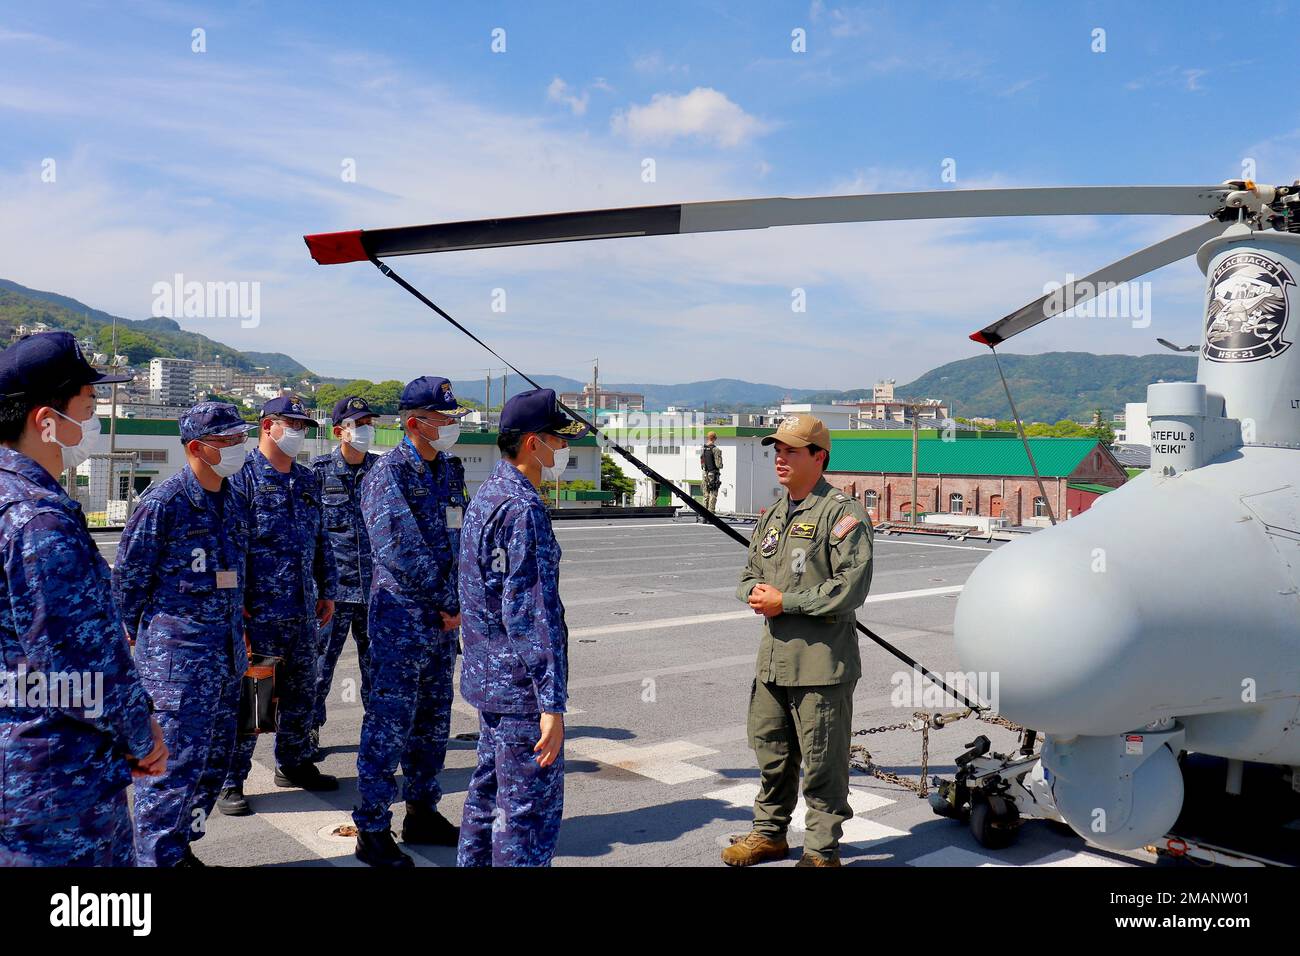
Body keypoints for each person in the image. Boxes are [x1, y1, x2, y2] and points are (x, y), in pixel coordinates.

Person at [0, 331, 167, 865]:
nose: (93, 422)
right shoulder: (39, 520)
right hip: (56, 782)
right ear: (45, 419)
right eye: (90, 406)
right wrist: (142, 737)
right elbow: (78, 663)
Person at [723, 414, 873, 868]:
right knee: (771, 751)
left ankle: (821, 851)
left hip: (820, 666)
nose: (780, 459)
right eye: (777, 450)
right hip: (773, 662)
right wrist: (751, 590)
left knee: (823, 763)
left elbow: (851, 587)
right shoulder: (773, 514)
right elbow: (751, 570)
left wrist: (785, 601)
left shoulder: (842, 514)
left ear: (819, 456)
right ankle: (769, 834)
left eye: (791, 450)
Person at [114, 401, 251, 866]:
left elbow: (237, 576)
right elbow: (128, 582)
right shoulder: (164, 503)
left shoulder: (232, 498)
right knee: (170, 774)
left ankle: (178, 848)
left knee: (211, 766)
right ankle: (154, 859)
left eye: (240, 437)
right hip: (177, 667)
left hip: (226, 659)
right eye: (228, 440)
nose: (240, 447)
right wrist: (134, 641)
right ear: (197, 448)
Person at [457, 387, 586, 867]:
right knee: (527, 816)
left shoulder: (489, 493)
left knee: (487, 799)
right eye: (558, 438)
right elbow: (530, 613)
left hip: (488, 679)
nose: (563, 450)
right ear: (534, 442)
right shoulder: (523, 509)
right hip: (520, 690)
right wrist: (551, 703)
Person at [353, 376, 467, 867]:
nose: (450, 427)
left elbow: (459, 538)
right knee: (389, 724)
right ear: (415, 423)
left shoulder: (448, 470)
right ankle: (372, 828)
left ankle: (422, 810)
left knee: (431, 723)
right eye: (443, 419)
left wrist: (460, 600)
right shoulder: (388, 474)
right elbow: (398, 549)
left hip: (443, 622)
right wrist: (447, 598)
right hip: (403, 619)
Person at [217, 395, 337, 816]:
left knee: (302, 695)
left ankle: (295, 763)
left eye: (304, 426)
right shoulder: (242, 477)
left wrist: (328, 589)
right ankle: (232, 779)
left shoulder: (306, 480)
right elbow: (228, 547)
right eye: (292, 424)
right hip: (259, 615)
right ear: (267, 425)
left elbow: (321, 539)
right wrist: (236, 604)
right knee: (254, 701)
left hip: (303, 610)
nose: (299, 433)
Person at [308, 395, 379, 759]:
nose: (367, 430)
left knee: (379, 673)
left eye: (370, 423)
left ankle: (378, 739)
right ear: (340, 431)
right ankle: (308, 734)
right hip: (332, 594)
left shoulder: (383, 472)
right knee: (318, 670)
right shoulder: (317, 473)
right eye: (359, 424)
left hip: (377, 593)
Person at [701, 430, 723, 512]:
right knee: (713, 493)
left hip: (704, 473)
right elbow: (719, 465)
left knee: (705, 494)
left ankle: (704, 513)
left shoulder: (703, 448)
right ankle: (711, 512)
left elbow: (702, 463)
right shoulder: (716, 449)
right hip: (713, 474)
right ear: (714, 438)